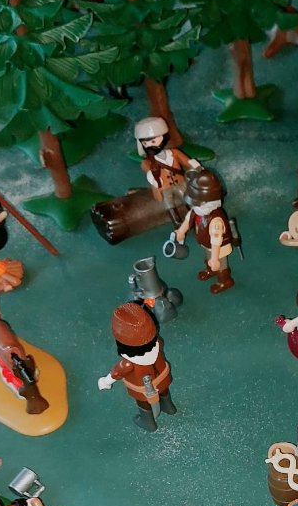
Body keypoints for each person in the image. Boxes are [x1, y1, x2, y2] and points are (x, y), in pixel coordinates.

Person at [98, 302, 176, 431]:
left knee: (143, 403)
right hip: (162, 378)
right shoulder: (158, 343)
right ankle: (169, 407)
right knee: (164, 390)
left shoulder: (128, 363)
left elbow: (116, 373)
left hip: (142, 389)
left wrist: (105, 381)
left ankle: (148, 422)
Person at [174, 169, 236, 294]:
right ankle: (211, 269)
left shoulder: (215, 220)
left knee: (220, 264)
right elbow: (188, 220)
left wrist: (215, 258)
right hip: (206, 242)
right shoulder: (197, 211)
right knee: (208, 257)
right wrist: (180, 232)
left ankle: (225, 280)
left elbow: (216, 241)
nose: (194, 205)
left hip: (219, 248)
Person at [135, 116, 201, 224]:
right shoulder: (147, 162)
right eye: (145, 143)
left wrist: (198, 168)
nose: (149, 146)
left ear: (164, 137)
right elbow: (150, 175)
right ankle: (176, 221)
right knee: (168, 202)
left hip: (180, 182)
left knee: (187, 196)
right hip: (164, 188)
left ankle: (194, 215)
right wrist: (153, 177)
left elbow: (187, 162)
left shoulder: (174, 153)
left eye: (153, 141)